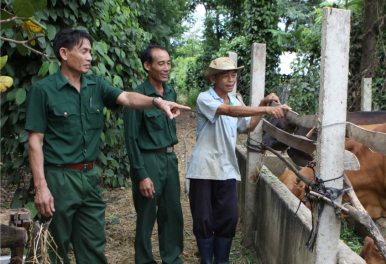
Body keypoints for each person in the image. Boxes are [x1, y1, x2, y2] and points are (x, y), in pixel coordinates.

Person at [25, 29, 190, 264]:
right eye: (84, 51)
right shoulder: (43, 91)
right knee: (55, 245)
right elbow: (35, 142)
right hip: (59, 178)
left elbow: (128, 98)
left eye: (91, 52)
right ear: (63, 53)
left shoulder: (96, 85)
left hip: (89, 177)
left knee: (93, 244)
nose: (90, 57)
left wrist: (156, 102)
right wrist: (41, 186)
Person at [185, 57, 291, 264]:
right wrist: (266, 110)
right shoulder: (205, 98)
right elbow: (230, 112)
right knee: (204, 219)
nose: (231, 79)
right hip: (203, 169)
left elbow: (249, 125)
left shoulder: (235, 100)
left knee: (228, 218)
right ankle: (207, 261)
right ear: (213, 78)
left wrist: (262, 104)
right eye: (225, 75)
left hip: (226, 169)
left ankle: (222, 261)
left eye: (233, 75)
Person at [123, 45, 184, 264]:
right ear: (147, 66)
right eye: (160, 63)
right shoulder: (136, 97)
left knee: (172, 212)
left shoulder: (170, 92)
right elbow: (131, 139)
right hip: (148, 161)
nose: (166, 68)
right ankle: (144, 260)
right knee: (146, 216)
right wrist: (141, 175)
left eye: (168, 63)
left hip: (169, 158)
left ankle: (172, 258)